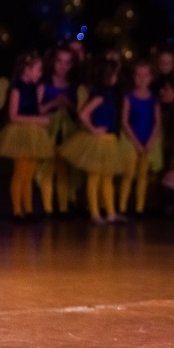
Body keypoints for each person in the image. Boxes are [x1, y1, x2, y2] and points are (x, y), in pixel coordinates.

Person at [59, 58, 126, 224]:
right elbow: (83, 114)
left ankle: (110, 213)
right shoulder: (100, 96)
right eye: (114, 75)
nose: (116, 78)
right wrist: (93, 130)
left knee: (107, 178)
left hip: (109, 140)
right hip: (99, 140)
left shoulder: (109, 95)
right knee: (95, 177)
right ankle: (95, 214)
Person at [0, 52, 54, 220]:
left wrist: (46, 113)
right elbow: (13, 116)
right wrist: (37, 119)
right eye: (38, 69)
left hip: (33, 134)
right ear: (26, 69)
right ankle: (17, 210)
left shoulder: (33, 88)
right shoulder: (17, 88)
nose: (40, 73)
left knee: (29, 174)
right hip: (20, 133)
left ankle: (28, 209)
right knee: (20, 173)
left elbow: (36, 108)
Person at [37, 45, 79, 217]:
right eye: (59, 62)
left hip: (67, 132)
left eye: (68, 63)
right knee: (48, 169)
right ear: (53, 62)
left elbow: (80, 110)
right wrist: (53, 103)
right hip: (48, 130)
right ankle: (47, 209)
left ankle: (63, 208)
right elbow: (37, 108)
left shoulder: (73, 86)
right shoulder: (44, 85)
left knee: (63, 170)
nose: (63, 66)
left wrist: (69, 104)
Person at [118, 60, 162, 217]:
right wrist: (136, 142)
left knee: (143, 176)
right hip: (132, 140)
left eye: (146, 75)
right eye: (138, 75)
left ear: (151, 77)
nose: (142, 79)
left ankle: (139, 208)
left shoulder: (153, 98)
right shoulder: (128, 97)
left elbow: (157, 122)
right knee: (129, 175)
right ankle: (122, 207)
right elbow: (124, 121)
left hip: (148, 140)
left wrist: (150, 141)